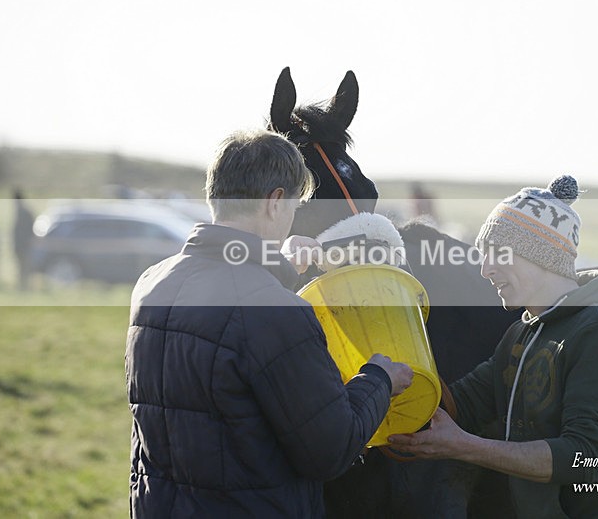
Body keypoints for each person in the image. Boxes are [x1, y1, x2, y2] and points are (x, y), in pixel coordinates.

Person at [125, 129, 412, 518]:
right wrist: (378, 379)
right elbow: (331, 448)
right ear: (276, 202)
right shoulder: (276, 311)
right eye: (294, 206)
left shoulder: (152, 283)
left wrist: (276, 271)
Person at [388, 176, 598, 518]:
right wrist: (383, 381)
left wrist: (463, 445)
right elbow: (459, 403)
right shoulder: (521, 333)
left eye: (498, 255)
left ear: (542, 256)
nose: (485, 270)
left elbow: (582, 459)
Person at [12, 189, 34, 290]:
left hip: (24, 245)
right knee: (22, 267)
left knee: (24, 267)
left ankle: (24, 287)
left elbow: (27, 230)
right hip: (22, 245)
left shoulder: (23, 212)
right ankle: (23, 286)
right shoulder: (22, 211)